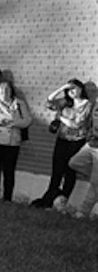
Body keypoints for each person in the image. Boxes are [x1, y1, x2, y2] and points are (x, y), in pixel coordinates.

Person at [30, 79, 93, 210]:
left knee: (70, 170)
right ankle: (49, 198)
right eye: (69, 90)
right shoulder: (65, 103)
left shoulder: (87, 105)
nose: (72, 92)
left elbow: (76, 124)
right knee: (57, 169)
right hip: (62, 139)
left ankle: (63, 199)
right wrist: (61, 88)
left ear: (81, 88)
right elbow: (49, 102)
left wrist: (60, 117)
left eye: (74, 88)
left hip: (76, 141)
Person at [0, 80, 32, 202]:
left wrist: (14, 123)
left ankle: (7, 197)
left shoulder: (19, 104)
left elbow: (28, 120)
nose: (4, 92)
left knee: (9, 170)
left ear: (11, 91)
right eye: (1, 90)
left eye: (7, 90)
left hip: (12, 141)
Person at [67, 102, 98, 219]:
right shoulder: (96, 105)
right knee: (74, 163)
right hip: (91, 143)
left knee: (95, 183)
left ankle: (83, 212)